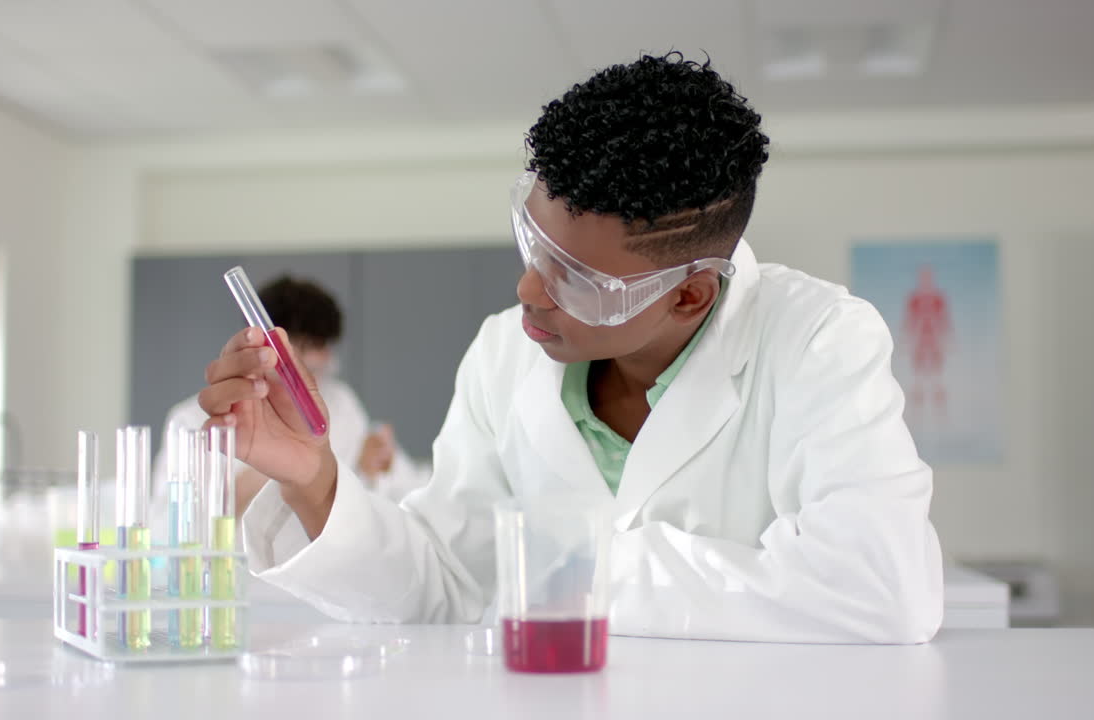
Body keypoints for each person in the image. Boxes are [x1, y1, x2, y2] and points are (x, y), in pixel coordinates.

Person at [197, 53, 943, 643]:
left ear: (688, 294)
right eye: (533, 241)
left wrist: (576, 574)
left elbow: (881, 589)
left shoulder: (817, 340)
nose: (528, 289)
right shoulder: (503, 354)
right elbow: (449, 586)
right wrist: (312, 481)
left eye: (578, 278)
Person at [153, 275, 423, 526]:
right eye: (305, 353)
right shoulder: (193, 421)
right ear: (262, 343)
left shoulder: (340, 403)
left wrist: (375, 469)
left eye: (324, 352)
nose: (315, 375)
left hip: (323, 568)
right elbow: (168, 527)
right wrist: (272, 471)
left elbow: (403, 496)